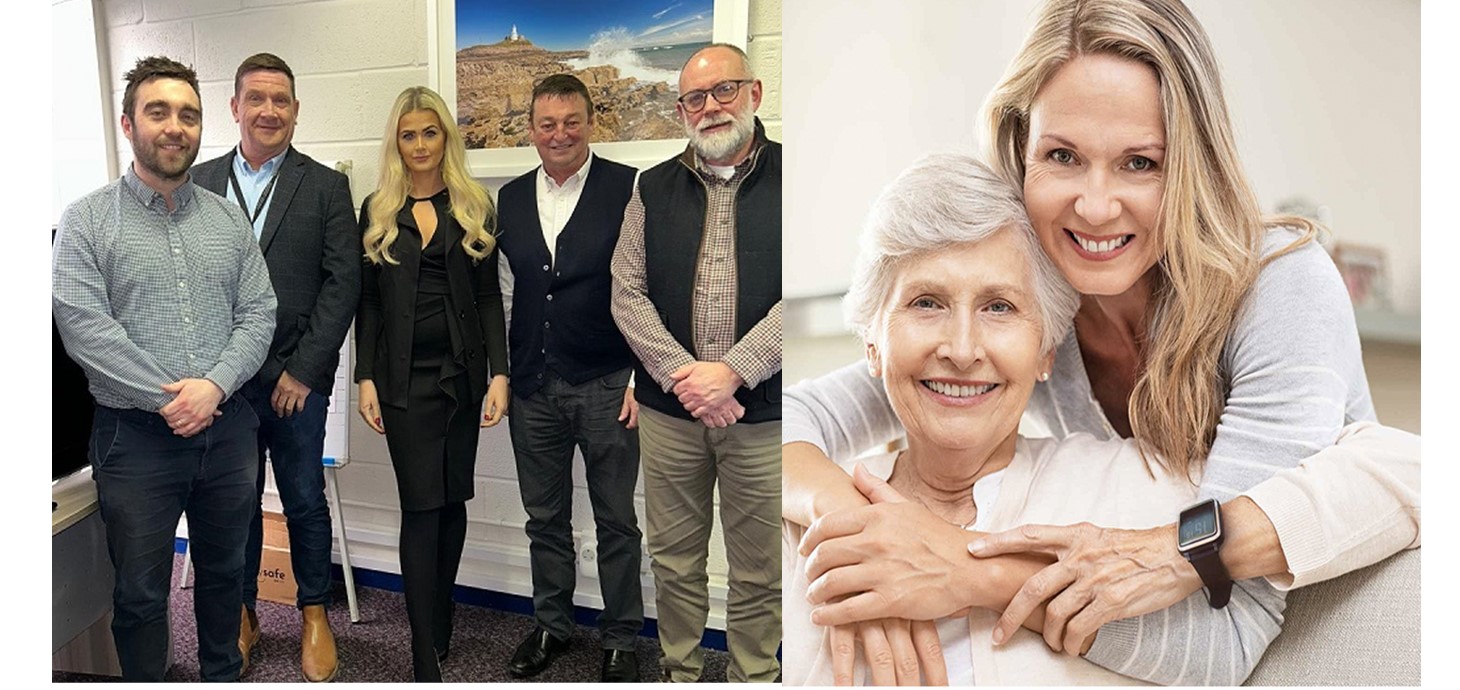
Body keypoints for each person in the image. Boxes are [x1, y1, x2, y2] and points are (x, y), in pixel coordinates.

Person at [782, 0, 1421, 684]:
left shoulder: (1277, 283)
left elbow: (1227, 633)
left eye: (1139, 163)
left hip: (1329, 631)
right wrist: (868, 539)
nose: (1094, 205)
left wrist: (955, 564)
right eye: (1062, 156)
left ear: (1191, 167)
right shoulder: (1034, 302)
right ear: (1019, 151)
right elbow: (803, 418)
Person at [52, 55, 277, 682]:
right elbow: (85, 328)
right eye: (159, 112)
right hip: (135, 441)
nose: (175, 126)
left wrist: (214, 388)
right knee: (141, 594)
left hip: (228, 433)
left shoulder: (229, 218)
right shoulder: (86, 221)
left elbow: (260, 312)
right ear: (129, 124)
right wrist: (171, 398)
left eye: (188, 114)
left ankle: (221, 675)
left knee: (225, 575)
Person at [610, 43, 782, 683]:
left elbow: (821, 293)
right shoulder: (651, 188)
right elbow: (625, 292)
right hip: (670, 416)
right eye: (694, 99)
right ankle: (680, 671)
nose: (709, 108)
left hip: (763, 415)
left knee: (760, 567)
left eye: (724, 91)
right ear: (680, 109)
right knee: (675, 561)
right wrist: (688, 380)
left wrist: (735, 370)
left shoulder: (803, 177)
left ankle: (754, 675)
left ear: (755, 94)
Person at [191, 52, 360, 682]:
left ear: (295, 110)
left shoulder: (325, 186)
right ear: (234, 108)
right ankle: (243, 611)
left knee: (303, 500)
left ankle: (314, 612)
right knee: (232, 504)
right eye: (256, 99)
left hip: (295, 383)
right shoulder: (199, 182)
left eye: (281, 100)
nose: (269, 110)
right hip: (223, 385)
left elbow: (342, 285)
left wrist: (304, 371)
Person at [354, 85, 510, 682]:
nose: (420, 144)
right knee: (421, 508)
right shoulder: (375, 210)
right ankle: (423, 654)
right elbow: (367, 306)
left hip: (463, 379)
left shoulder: (475, 206)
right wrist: (365, 376)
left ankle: (439, 618)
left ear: (446, 137)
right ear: (396, 142)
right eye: (408, 134)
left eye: (430, 132)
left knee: (452, 501)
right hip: (401, 383)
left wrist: (499, 373)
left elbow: (492, 298)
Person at [495, 74, 645, 682]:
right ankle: (553, 625)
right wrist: (502, 373)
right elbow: (507, 293)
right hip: (533, 384)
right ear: (531, 129)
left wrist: (641, 377)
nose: (559, 134)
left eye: (572, 121)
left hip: (609, 382)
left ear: (591, 123)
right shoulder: (505, 198)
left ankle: (621, 637)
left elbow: (646, 286)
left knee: (616, 520)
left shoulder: (630, 189)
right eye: (547, 123)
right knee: (544, 518)